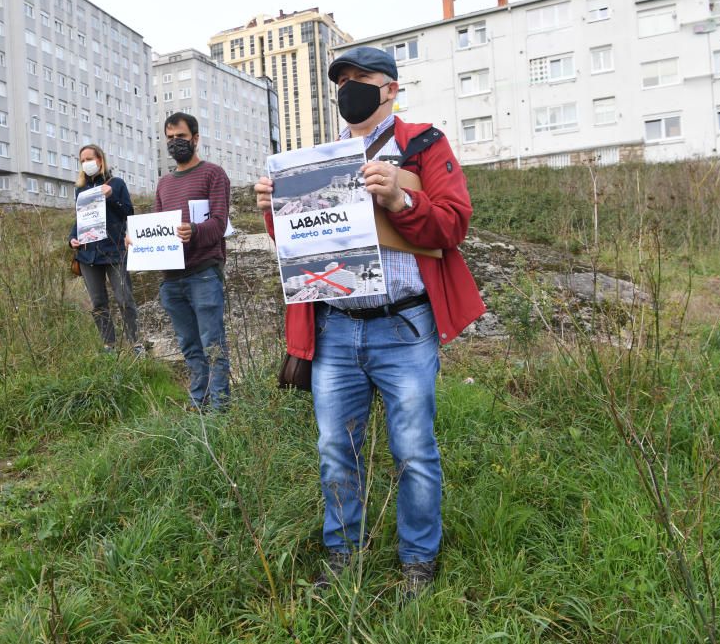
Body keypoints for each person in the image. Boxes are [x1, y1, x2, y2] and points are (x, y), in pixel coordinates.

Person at [255, 47, 485, 598]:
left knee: (413, 449)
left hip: (404, 328)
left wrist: (404, 199)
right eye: (342, 80)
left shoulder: (424, 144)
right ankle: (343, 554)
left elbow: (453, 226)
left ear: (391, 89)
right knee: (336, 446)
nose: (349, 88)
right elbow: (300, 244)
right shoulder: (317, 160)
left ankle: (418, 560)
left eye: (362, 79)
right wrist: (273, 207)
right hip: (336, 327)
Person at [152, 112, 232, 410]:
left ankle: (219, 409)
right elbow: (157, 226)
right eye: (170, 138)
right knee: (189, 346)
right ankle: (199, 402)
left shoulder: (214, 174)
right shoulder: (163, 184)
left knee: (212, 344)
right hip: (171, 279)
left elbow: (219, 224)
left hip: (203, 273)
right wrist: (136, 242)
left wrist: (194, 231)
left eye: (181, 137)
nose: (175, 143)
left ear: (195, 138)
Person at [69, 144, 140, 353]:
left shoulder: (116, 184)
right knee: (99, 303)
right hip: (88, 254)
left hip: (114, 250)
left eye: (89, 159)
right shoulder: (81, 190)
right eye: (82, 161)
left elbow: (128, 212)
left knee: (124, 298)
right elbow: (80, 220)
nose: (86, 164)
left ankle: (135, 343)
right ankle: (109, 345)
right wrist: (72, 238)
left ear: (100, 160)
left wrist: (111, 197)